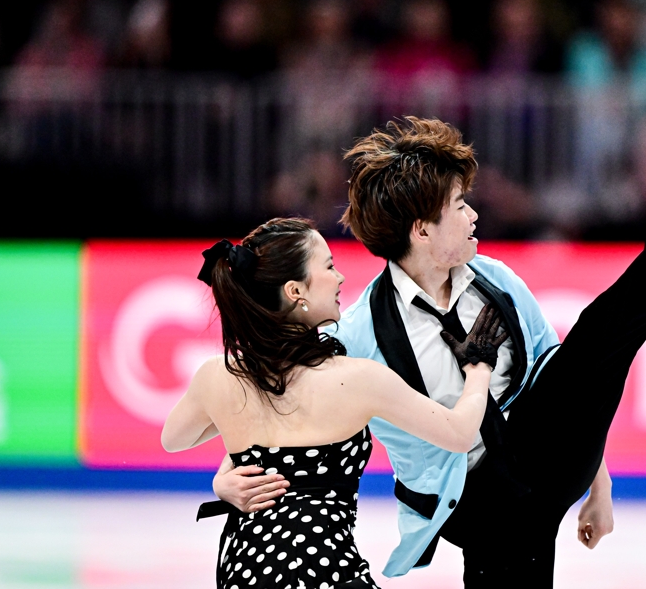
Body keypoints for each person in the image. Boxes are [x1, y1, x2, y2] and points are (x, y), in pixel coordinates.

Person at [213, 115, 646, 587]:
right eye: (460, 205)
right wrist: (225, 476)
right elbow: (285, 411)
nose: (474, 215)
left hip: (544, 456)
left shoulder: (495, 280)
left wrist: (598, 483)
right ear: (422, 231)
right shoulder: (361, 333)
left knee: (597, 338)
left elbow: (571, 381)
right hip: (475, 503)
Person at [161, 217, 509, 589]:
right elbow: (459, 434)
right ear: (296, 291)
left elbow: (174, 439)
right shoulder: (357, 379)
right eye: (328, 267)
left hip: (246, 571)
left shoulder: (218, 376)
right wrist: (479, 367)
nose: (340, 277)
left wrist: (225, 478)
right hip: (325, 570)